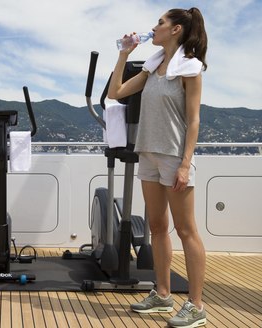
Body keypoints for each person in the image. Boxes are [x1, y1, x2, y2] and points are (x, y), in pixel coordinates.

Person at [107, 7, 208, 328]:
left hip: (174, 156)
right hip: (148, 152)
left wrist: (185, 163)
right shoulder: (153, 66)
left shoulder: (190, 68)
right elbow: (116, 93)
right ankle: (163, 294)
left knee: (186, 230)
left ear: (176, 29)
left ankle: (196, 305)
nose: (154, 27)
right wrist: (124, 54)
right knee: (156, 226)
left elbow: (193, 120)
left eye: (160, 23)